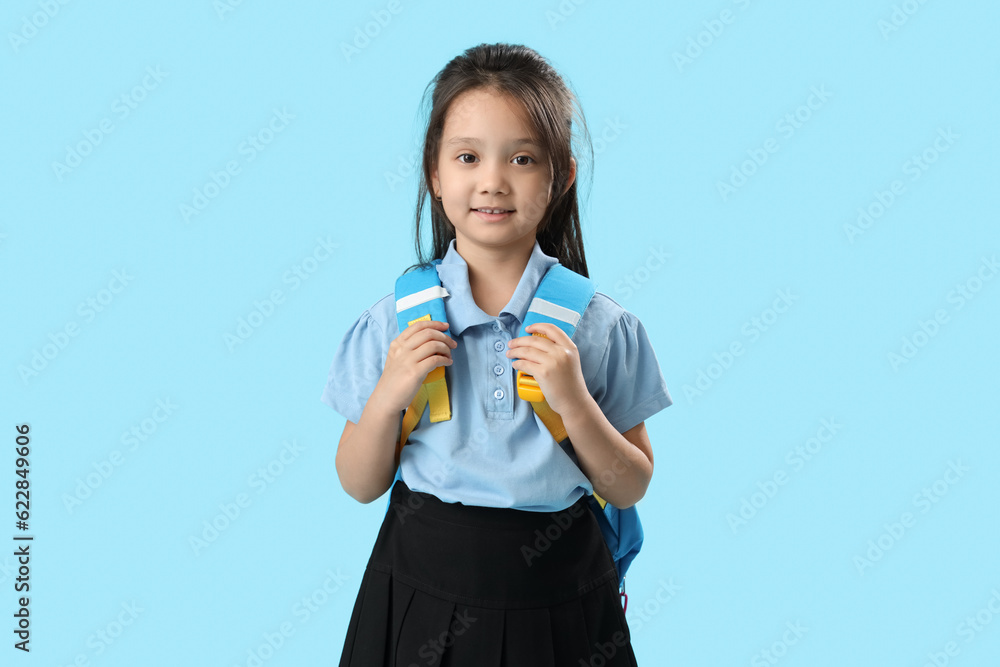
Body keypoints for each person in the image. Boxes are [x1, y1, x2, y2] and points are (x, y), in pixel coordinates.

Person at [322, 42, 672, 667]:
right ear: (434, 172)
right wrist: (388, 397)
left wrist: (574, 402)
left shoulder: (601, 327)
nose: (492, 180)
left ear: (561, 175)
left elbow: (629, 486)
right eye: (467, 157)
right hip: (421, 592)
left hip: (563, 597)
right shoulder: (394, 323)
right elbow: (358, 484)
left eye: (522, 158)